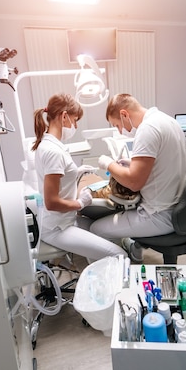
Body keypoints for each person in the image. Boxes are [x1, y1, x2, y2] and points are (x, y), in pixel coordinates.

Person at [91, 93, 186, 262]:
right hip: (179, 208)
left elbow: (134, 183)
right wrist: (134, 163)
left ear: (124, 114)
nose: (120, 130)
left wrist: (108, 164)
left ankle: (118, 275)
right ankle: (135, 249)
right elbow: (165, 161)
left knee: (96, 229)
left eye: (117, 125)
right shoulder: (168, 121)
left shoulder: (147, 129)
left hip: (158, 215)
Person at [32, 93, 127, 264]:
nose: (75, 125)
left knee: (99, 230)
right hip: (57, 227)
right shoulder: (53, 152)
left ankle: (98, 278)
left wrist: (75, 172)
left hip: (63, 220)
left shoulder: (48, 145)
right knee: (119, 256)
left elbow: (56, 179)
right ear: (64, 116)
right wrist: (80, 203)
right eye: (75, 120)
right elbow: (51, 202)